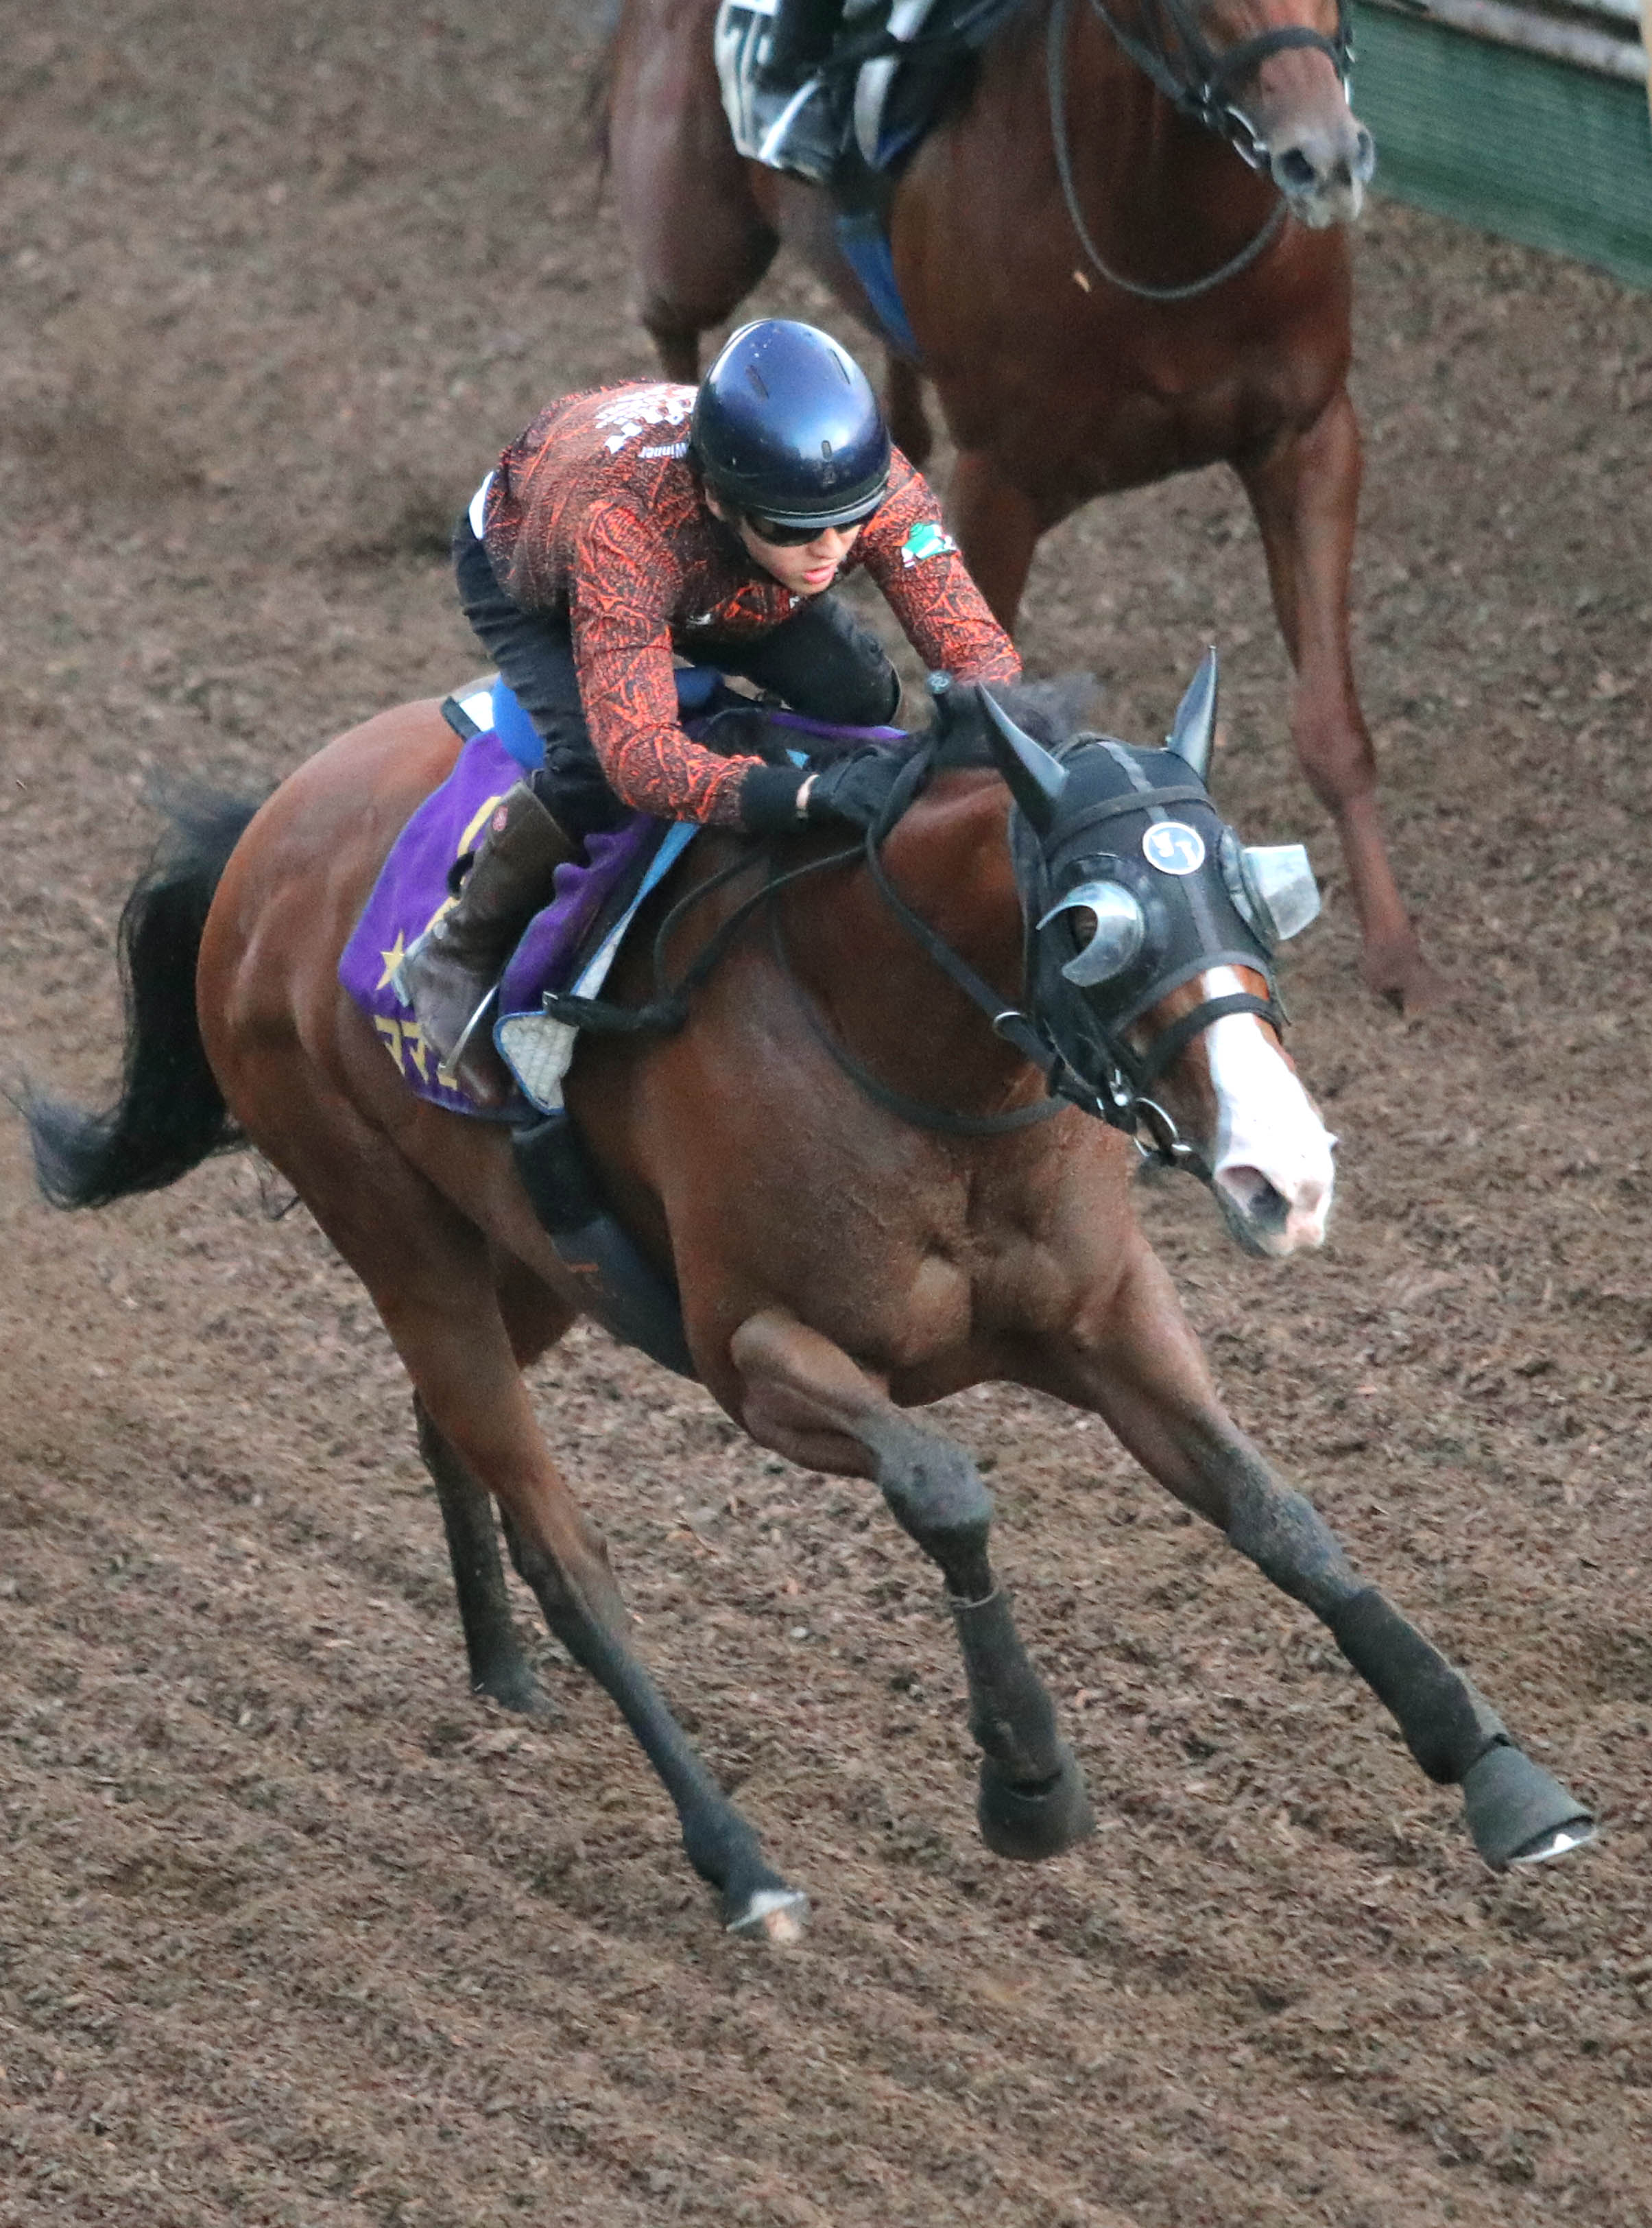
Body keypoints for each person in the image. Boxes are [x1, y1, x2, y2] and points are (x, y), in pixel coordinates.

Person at [401, 318, 1020, 1103]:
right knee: (592, 766)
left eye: (851, 522)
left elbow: (977, 651)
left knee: (862, 699)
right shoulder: (622, 530)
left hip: (728, 574)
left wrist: (993, 737)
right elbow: (640, 760)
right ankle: (458, 945)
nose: (831, 551)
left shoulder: (867, 487)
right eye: (796, 530)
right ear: (721, 500)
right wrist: (801, 794)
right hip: (546, 563)